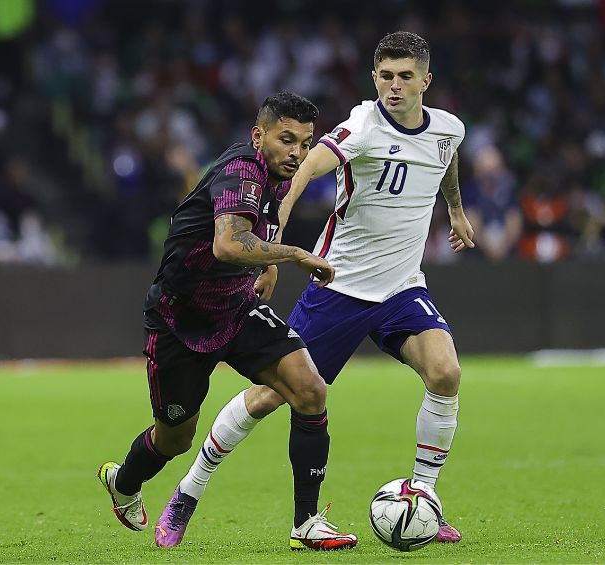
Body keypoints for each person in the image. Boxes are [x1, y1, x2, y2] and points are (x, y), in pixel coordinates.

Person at [160, 31, 474, 549]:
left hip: (401, 288)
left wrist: (457, 211)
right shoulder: (363, 126)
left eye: (405, 76)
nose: (394, 86)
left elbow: (447, 158)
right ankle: (188, 492)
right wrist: (275, 232)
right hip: (340, 287)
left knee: (446, 373)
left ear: (426, 81)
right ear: (374, 78)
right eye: (385, 76)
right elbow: (306, 166)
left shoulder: (449, 130)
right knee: (267, 399)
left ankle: (423, 498)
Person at [97, 91, 357, 552]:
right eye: (286, 140)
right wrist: (295, 255)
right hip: (179, 319)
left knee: (310, 389)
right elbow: (228, 244)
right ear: (260, 136)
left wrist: (269, 264)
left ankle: (307, 522)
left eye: (304, 142)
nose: (296, 152)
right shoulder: (241, 172)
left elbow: (258, 231)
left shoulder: (277, 175)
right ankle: (123, 482)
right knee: (175, 438)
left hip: (236, 308)